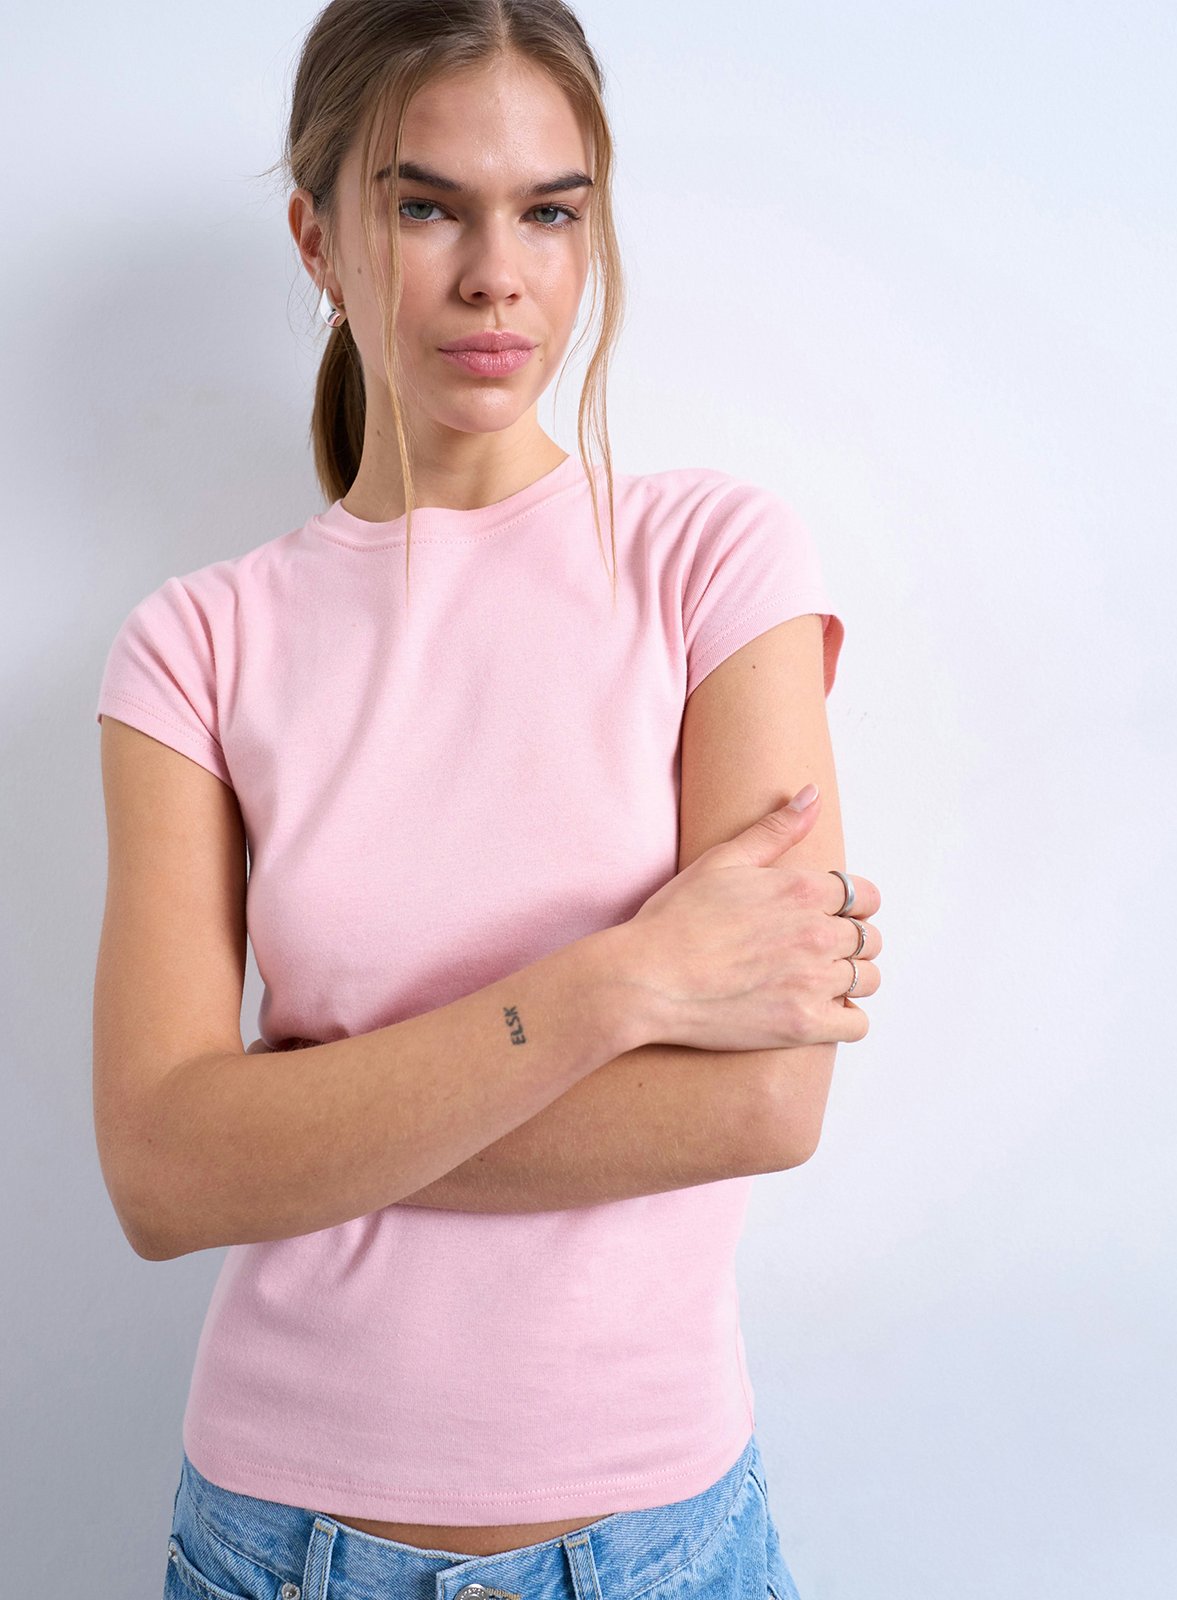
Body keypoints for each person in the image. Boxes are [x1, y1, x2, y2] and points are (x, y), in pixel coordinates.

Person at [92, 3, 882, 1597]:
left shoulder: (713, 565)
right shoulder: (195, 644)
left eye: (549, 210)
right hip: (276, 1545)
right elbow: (163, 1180)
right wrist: (630, 983)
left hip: (666, 1539)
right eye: (425, 202)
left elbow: (762, 1104)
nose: (495, 273)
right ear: (318, 235)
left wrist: (300, 1117)